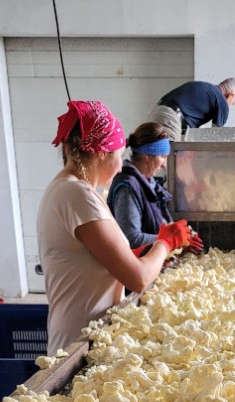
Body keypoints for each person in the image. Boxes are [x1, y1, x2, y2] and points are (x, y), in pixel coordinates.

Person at [37, 100, 197, 354]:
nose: (122, 165)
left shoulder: (70, 189)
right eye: (120, 155)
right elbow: (139, 278)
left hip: (91, 337)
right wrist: (165, 242)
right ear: (102, 153)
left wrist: (140, 253)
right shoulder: (76, 195)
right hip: (78, 343)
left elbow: (96, 259)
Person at [107, 123, 174, 250]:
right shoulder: (127, 188)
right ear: (147, 156)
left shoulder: (149, 183)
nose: (164, 165)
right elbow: (131, 239)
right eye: (162, 157)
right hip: (138, 261)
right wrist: (171, 239)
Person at [148, 78, 235, 141]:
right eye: (232, 103)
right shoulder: (222, 101)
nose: (230, 106)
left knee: (151, 158)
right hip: (170, 119)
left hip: (158, 112)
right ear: (230, 95)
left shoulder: (206, 89)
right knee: (170, 160)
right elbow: (216, 135)